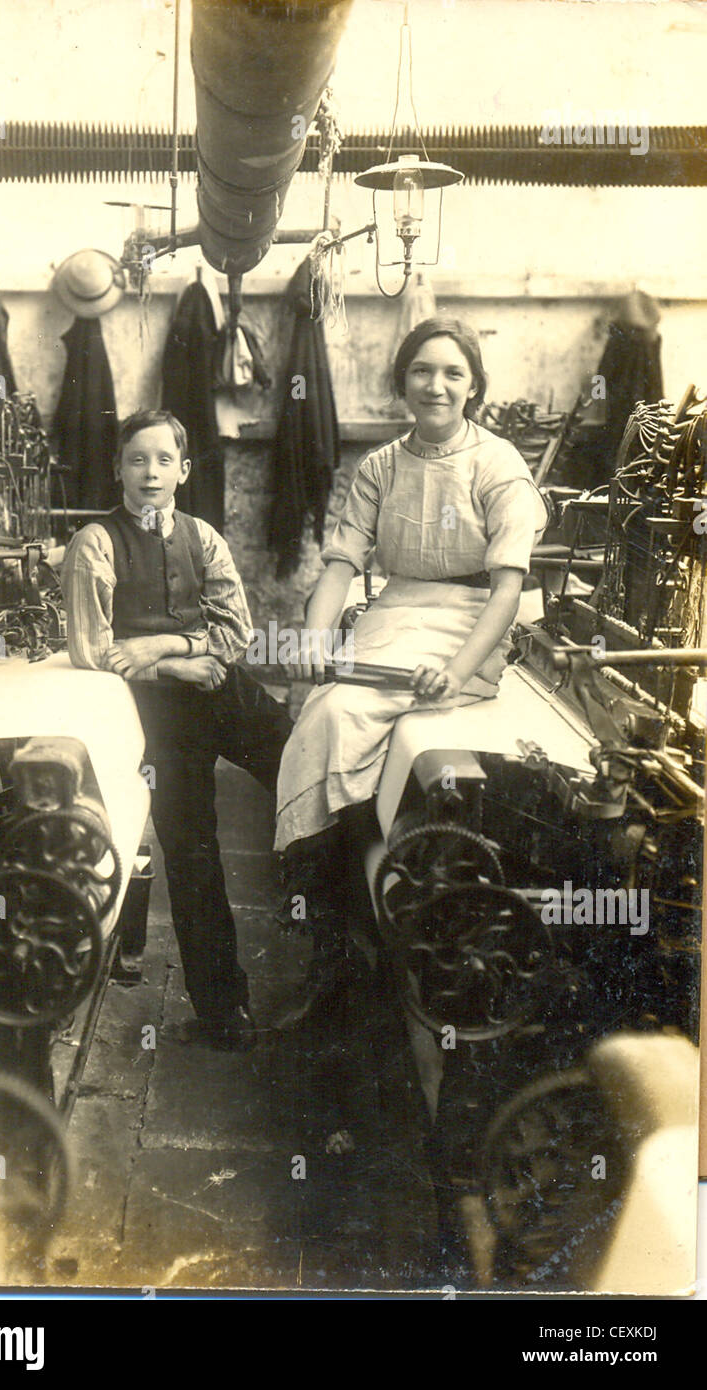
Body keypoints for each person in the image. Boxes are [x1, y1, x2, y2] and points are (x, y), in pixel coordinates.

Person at [274, 316, 549, 1020]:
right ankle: (329, 933)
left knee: (337, 714)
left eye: (453, 373)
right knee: (313, 709)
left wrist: (458, 670)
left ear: (473, 387)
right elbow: (340, 565)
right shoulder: (380, 467)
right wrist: (312, 636)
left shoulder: (499, 466)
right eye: (423, 371)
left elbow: (509, 591)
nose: (437, 385)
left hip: (469, 624)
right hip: (394, 615)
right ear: (403, 382)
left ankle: (352, 907)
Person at [61, 409, 292, 1051]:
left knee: (307, 774)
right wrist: (177, 669)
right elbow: (92, 650)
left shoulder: (203, 536)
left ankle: (336, 963)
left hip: (216, 687)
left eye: (165, 460)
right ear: (118, 469)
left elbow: (235, 631)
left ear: (184, 471)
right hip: (157, 713)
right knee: (193, 853)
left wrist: (169, 649)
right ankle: (225, 1013)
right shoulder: (95, 544)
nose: (151, 472)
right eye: (138, 459)